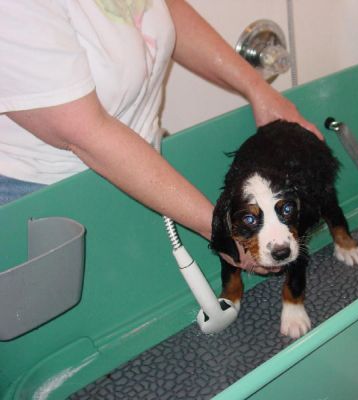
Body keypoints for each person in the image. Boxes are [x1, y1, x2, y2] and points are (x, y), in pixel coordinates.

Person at [0, 0, 321, 272]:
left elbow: (165, 11)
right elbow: (86, 134)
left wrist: (257, 89)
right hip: (47, 198)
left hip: (141, 170)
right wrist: (217, 229)